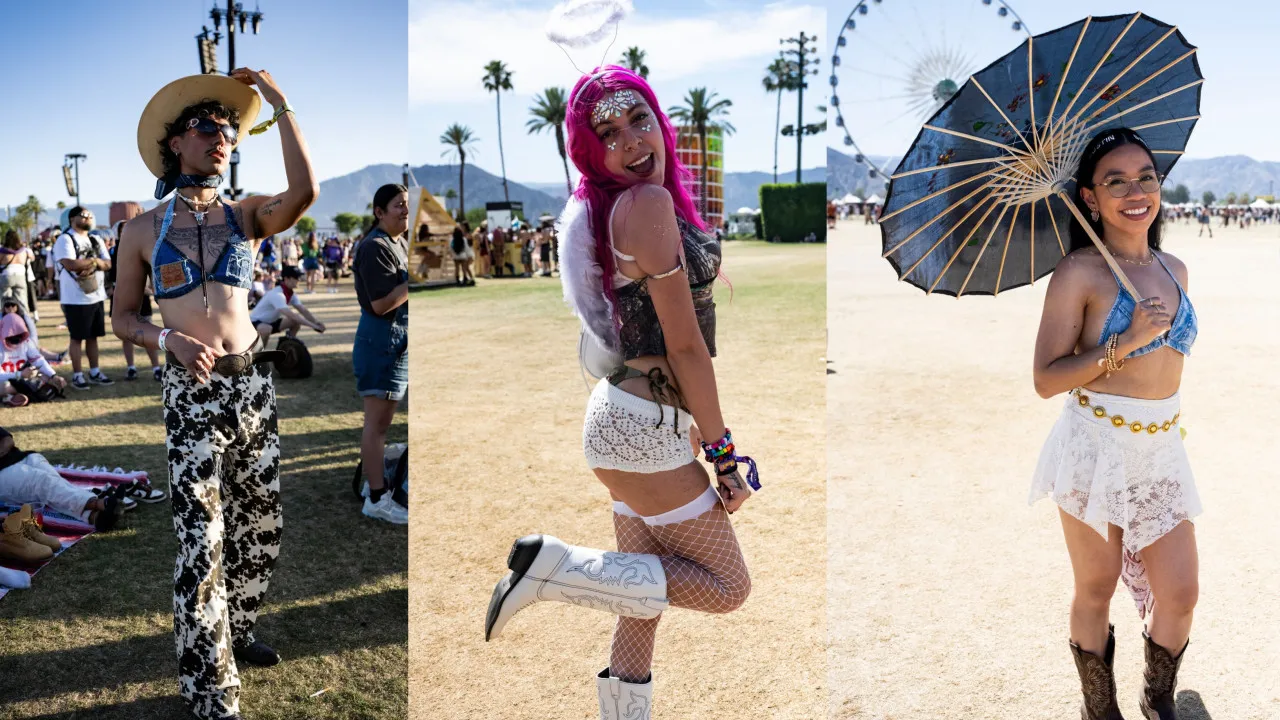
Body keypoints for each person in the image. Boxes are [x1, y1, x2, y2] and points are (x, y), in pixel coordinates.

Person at [483, 65, 757, 717]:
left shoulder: (622, 207)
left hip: (627, 420)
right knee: (727, 587)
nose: (632, 141)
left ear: (660, 122)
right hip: (640, 428)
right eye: (608, 134)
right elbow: (685, 348)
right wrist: (724, 454)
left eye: (639, 119)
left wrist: (696, 431)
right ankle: (554, 570)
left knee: (641, 601)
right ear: (591, 153)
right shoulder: (647, 205)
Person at [112, 69, 318, 720]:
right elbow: (122, 317)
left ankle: (240, 628)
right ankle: (211, 690)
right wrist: (163, 338)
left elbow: (305, 192)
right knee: (201, 542)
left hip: (252, 385)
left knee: (262, 525)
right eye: (207, 127)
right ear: (176, 143)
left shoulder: (246, 214)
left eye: (229, 130)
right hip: (191, 395)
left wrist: (279, 104)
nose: (221, 137)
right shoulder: (141, 230)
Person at [1028, 128, 1199, 720]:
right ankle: (1099, 710)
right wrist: (1123, 343)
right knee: (1095, 587)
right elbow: (1045, 379)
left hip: (1161, 448)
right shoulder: (1078, 273)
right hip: (1095, 446)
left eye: (1146, 177)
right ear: (1089, 197)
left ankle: (1158, 699)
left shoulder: (1175, 268)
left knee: (1181, 593)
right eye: (1116, 181)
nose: (1136, 192)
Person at [352, 184, 410, 525]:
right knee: (376, 426)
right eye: (398, 205)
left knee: (382, 424)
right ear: (379, 212)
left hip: (395, 343)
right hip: (381, 342)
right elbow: (381, 304)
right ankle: (376, 498)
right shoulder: (375, 247)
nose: (405, 210)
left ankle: (375, 483)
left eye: (407, 204)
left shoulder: (398, 242)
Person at [53, 206, 113, 390]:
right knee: (77, 338)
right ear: (72, 218)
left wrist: (91, 262)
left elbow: (108, 263)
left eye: (90, 215)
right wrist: (95, 261)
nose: (88, 218)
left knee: (94, 337)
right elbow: (71, 264)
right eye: (84, 215)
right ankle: (78, 375)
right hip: (75, 298)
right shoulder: (65, 239)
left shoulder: (95, 239)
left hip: (96, 296)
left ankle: (95, 372)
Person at [108, 220, 162, 381]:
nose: (127, 232)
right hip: (122, 296)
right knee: (126, 334)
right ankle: (131, 367)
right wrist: (110, 287)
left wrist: (151, 287)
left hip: (143, 296)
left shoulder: (142, 245)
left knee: (148, 331)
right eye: (123, 230)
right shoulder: (114, 251)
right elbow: (110, 273)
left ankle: (156, 368)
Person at [1, 313, 67, 407]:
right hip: (6, 380)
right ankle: (13, 396)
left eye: (18, 337)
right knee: (5, 386)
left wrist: (53, 375)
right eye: (11, 338)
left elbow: (38, 360)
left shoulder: (26, 341)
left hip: (23, 379)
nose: (16, 341)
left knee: (46, 377)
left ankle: (12, 397)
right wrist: (19, 374)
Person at [249, 265, 325, 347]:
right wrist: (314, 326)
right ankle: (257, 353)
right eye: (296, 277)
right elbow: (292, 315)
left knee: (295, 322)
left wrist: (316, 322)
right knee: (267, 329)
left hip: (271, 322)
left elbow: (303, 310)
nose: (299, 280)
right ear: (286, 279)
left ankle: (287, 346)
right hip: (254, 323)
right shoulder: (277, 294)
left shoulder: (290, 293)